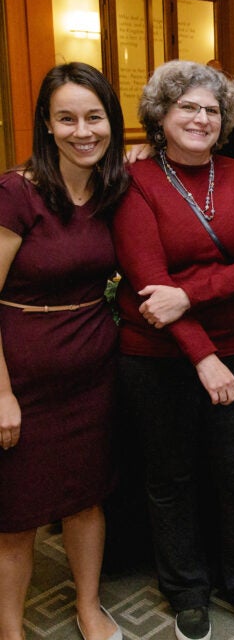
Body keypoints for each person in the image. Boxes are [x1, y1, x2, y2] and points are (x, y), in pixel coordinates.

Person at [111, 60, 234, 640]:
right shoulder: (134, 180)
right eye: (188, 106)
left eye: (212, 109)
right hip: (158, 358)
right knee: (171, 478)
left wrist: (190, 294)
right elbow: (146, 283)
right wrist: (203, 354)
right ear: (160, 114)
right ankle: (185, 588)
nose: (201, 118)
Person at [0, 63, 128, 640]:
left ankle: (88, 605)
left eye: (94, 117)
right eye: (67, 118)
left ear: (111, 122)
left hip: (93, 372)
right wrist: (0, 393)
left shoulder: (112, 189)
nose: (83, 131)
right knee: (16, 516)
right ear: (46, 125)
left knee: (86, 498)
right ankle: (10, 627)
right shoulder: (15, 192)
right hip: (21, 378)